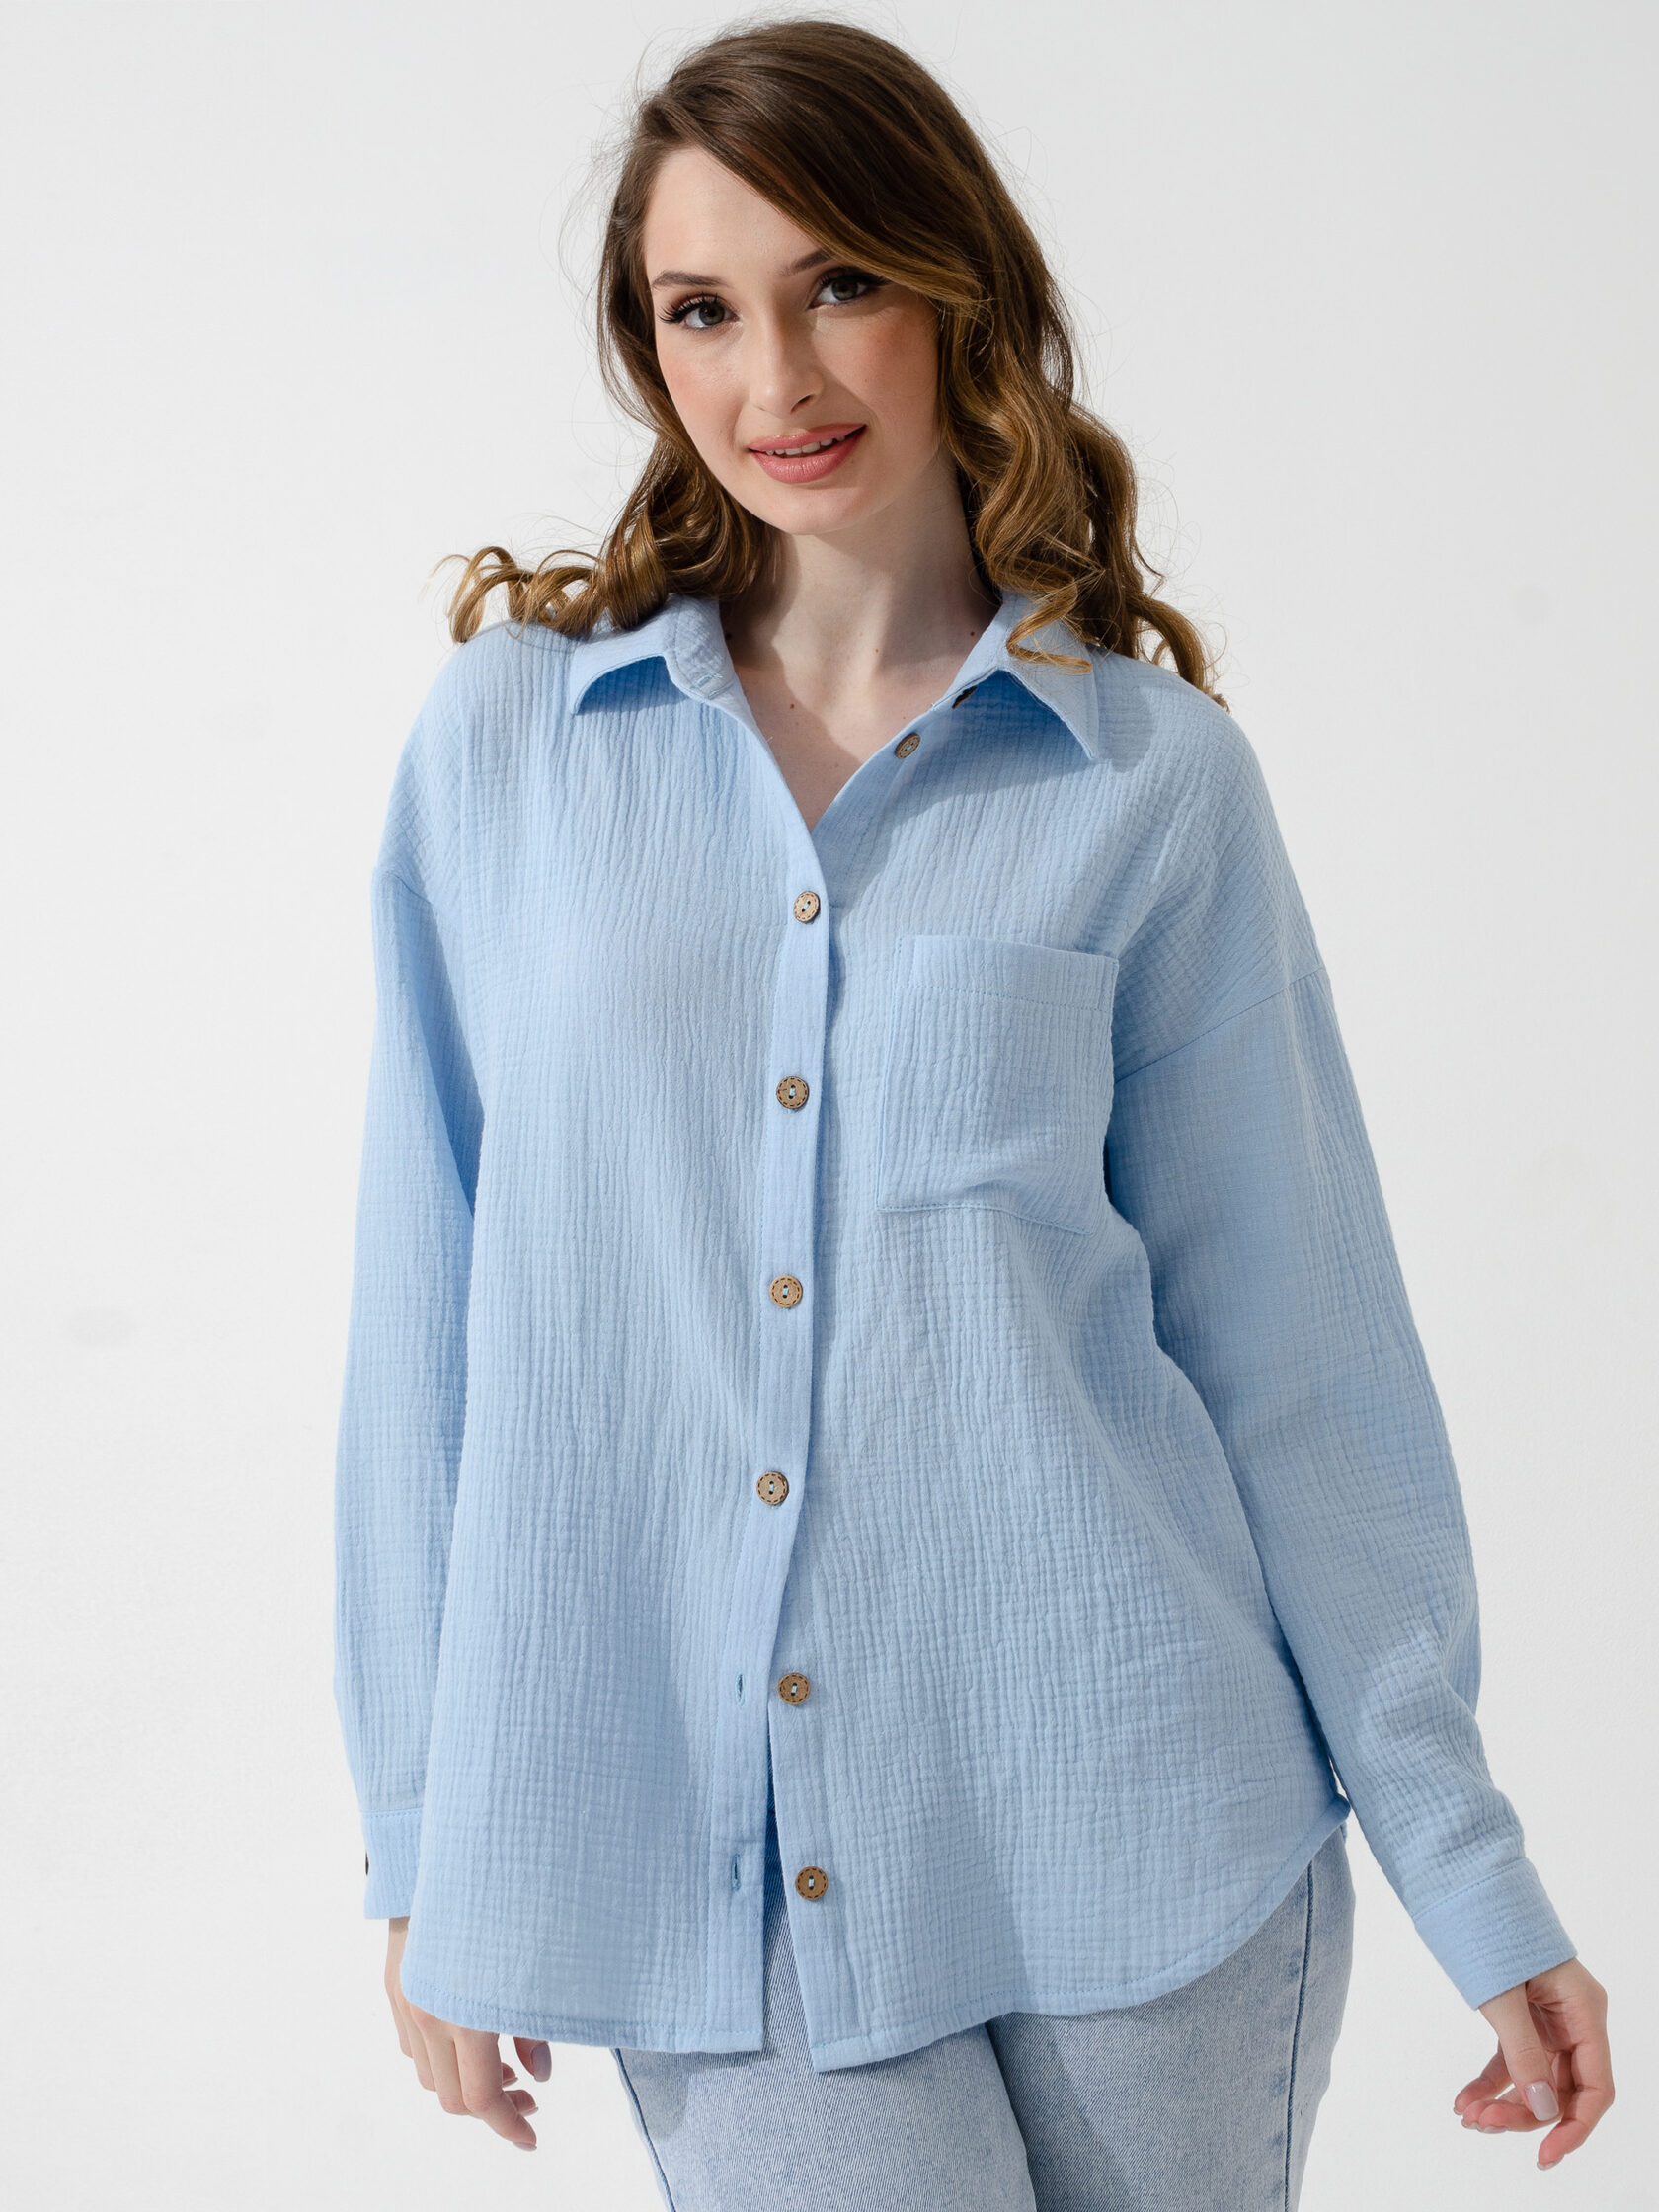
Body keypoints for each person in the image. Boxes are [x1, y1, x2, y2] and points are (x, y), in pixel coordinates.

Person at [330, 16, 1613, 2207]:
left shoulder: (1151, 780)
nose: (774, 375)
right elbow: (424, 1314)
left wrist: (1466, 1863)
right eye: (700, 308)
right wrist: (428, 1833)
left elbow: (1298, 1355)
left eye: (838, 283)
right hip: (712, 1863)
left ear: (955, 290)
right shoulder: (517, 750)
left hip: (1148, 1827)